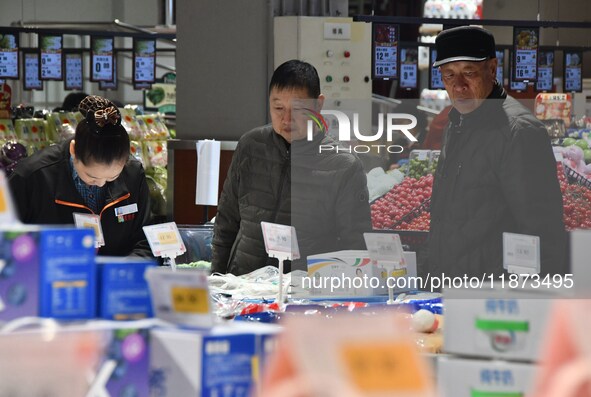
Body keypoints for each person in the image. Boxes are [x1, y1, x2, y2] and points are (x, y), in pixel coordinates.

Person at [427, 26, 566, 278]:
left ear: (492, 69)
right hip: (453, 287)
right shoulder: (455, 123)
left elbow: (544, 236)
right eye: (449, 75)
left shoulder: (520, 132)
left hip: (494, 298)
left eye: (468, 73)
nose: (458, 86)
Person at [212, 60, 372, 275]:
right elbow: (226, 222)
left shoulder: (343, 166)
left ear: (318, 105)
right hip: (243, 284)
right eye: (278, 108)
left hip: (305, 292)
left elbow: (356, 246)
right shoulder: (250, 146)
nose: (286, 119)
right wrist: (217, 279)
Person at [9, 95, 153, 258]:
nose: (100, 184)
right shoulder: (33, 176)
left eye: (112, 178)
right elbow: (7, 241)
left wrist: (117, 274)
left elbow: (145, 241)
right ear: (73, 150)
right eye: (91, 177)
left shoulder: (133, 174)